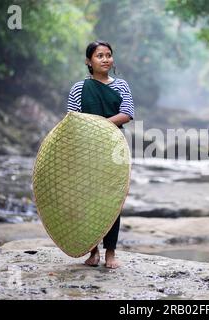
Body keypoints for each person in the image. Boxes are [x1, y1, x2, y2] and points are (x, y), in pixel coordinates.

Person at [67, 40, 134, 269]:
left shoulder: (121, 86)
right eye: (99, 56)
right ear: (89, 61)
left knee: (112, 200)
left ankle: (111, 253)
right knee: (87, 199)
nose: (105, 59)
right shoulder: (79, 88)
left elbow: (127, 113)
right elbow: (72, 119)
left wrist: (100, 125)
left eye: (108, 55)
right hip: (85, 149)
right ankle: (93, 252)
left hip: (114, 148)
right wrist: (93, 130)